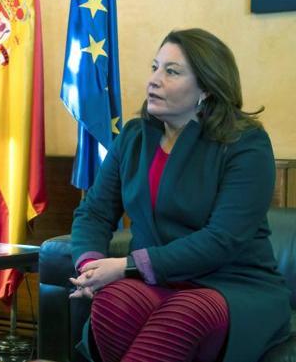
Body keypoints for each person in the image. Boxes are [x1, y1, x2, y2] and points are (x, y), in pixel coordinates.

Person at [69, 28, 291, 362]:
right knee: (112, 299)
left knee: (187, 309)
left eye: (171, 72)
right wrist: (90, 265)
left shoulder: (246, 144)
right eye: (154, 67)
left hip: (231, 284)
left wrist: (127, 265)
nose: (153, 81)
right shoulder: (133, 138)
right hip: (153, 281)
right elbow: (94, 213)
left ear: (206, 88)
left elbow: (222, 239)